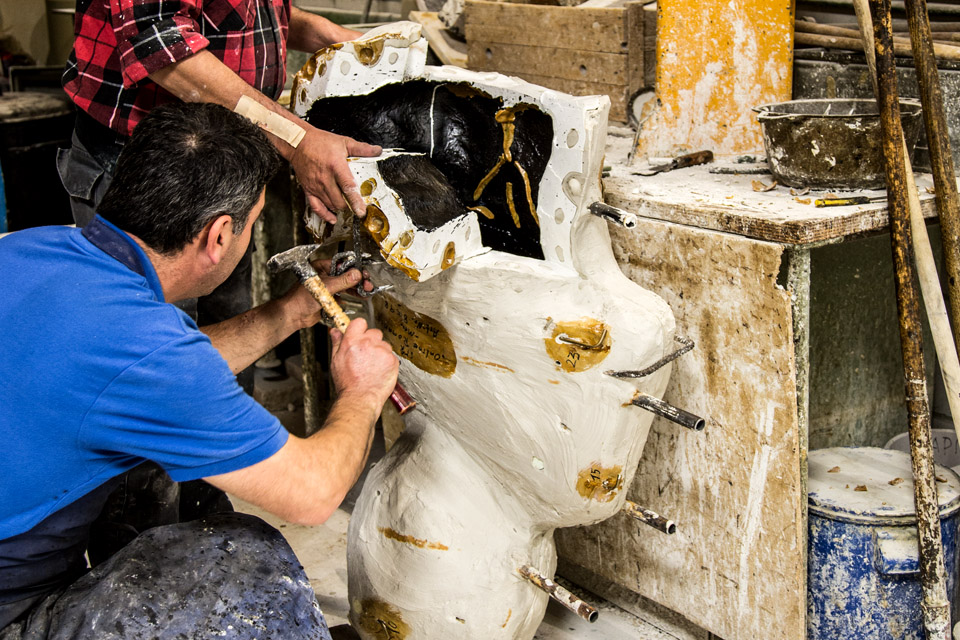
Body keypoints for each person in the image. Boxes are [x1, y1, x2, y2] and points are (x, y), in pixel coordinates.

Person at [0, 102, 399, 639]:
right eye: (252, 223)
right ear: (218, 237)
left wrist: (291, 311)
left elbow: (141, 375)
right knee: (246, 573)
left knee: (172, 472)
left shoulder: (30, 247)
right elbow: (314, 493)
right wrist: (363, 391)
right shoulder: (146, 353)